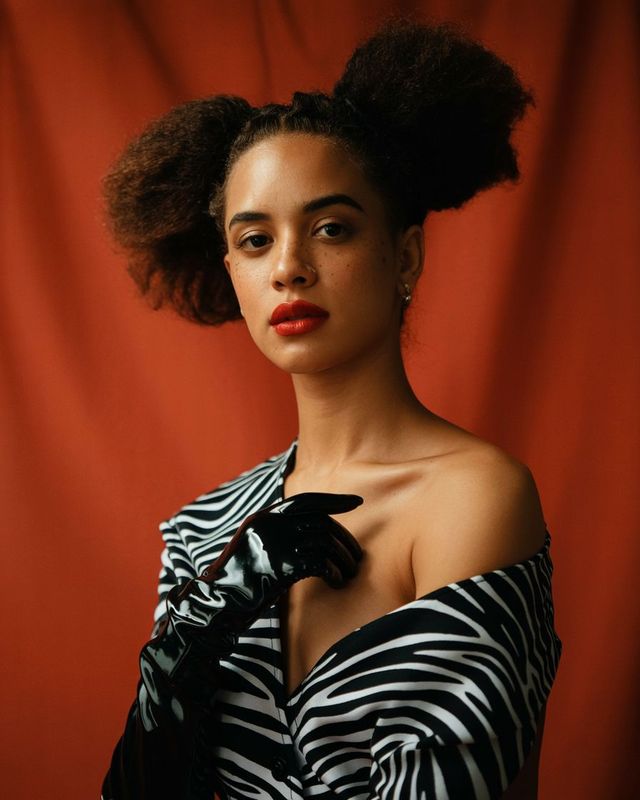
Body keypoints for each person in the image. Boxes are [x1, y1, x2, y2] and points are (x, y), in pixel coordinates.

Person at [101, 19, 561, 800]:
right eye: (254, 240)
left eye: (331, 229)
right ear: (231, 274)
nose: (288, 267)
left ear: (404, 255)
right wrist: (201, 628)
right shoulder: (209, 533)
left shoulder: (473, 498)